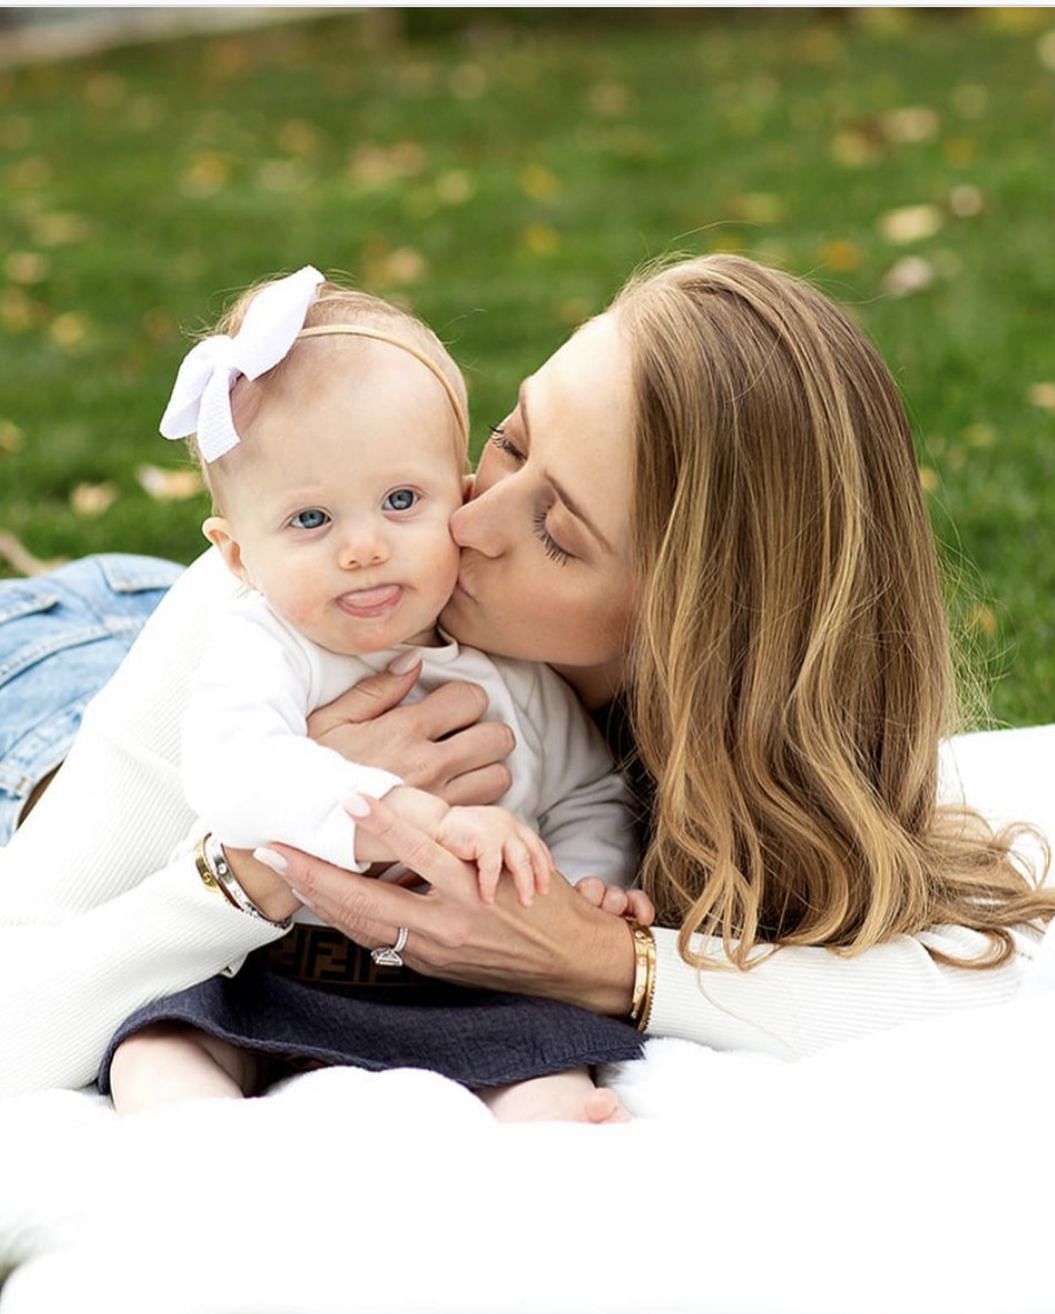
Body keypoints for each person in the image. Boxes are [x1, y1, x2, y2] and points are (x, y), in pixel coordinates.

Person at [0, 253, 1055, 1118]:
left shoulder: (729, 750)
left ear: (695, 636)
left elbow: (956, 984)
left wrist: (603, 959)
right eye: (507, 439)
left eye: (554, 529)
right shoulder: (253, 614)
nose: (464, 522)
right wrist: (259, 862)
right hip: (62, 675)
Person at [101, 265, 649, 1121]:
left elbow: (591, 790)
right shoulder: (267, 643)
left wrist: (580, 889)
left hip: (467, 982)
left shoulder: (509, 662)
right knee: (159, 1042)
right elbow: (234, 768)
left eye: (401, 500)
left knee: (548, 1057)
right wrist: (398, 809)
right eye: (311, 521)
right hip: (285, 969)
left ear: (453, 492)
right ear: (237, 554)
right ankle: (193, 1144)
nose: (362, 548)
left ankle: (548, 1142)